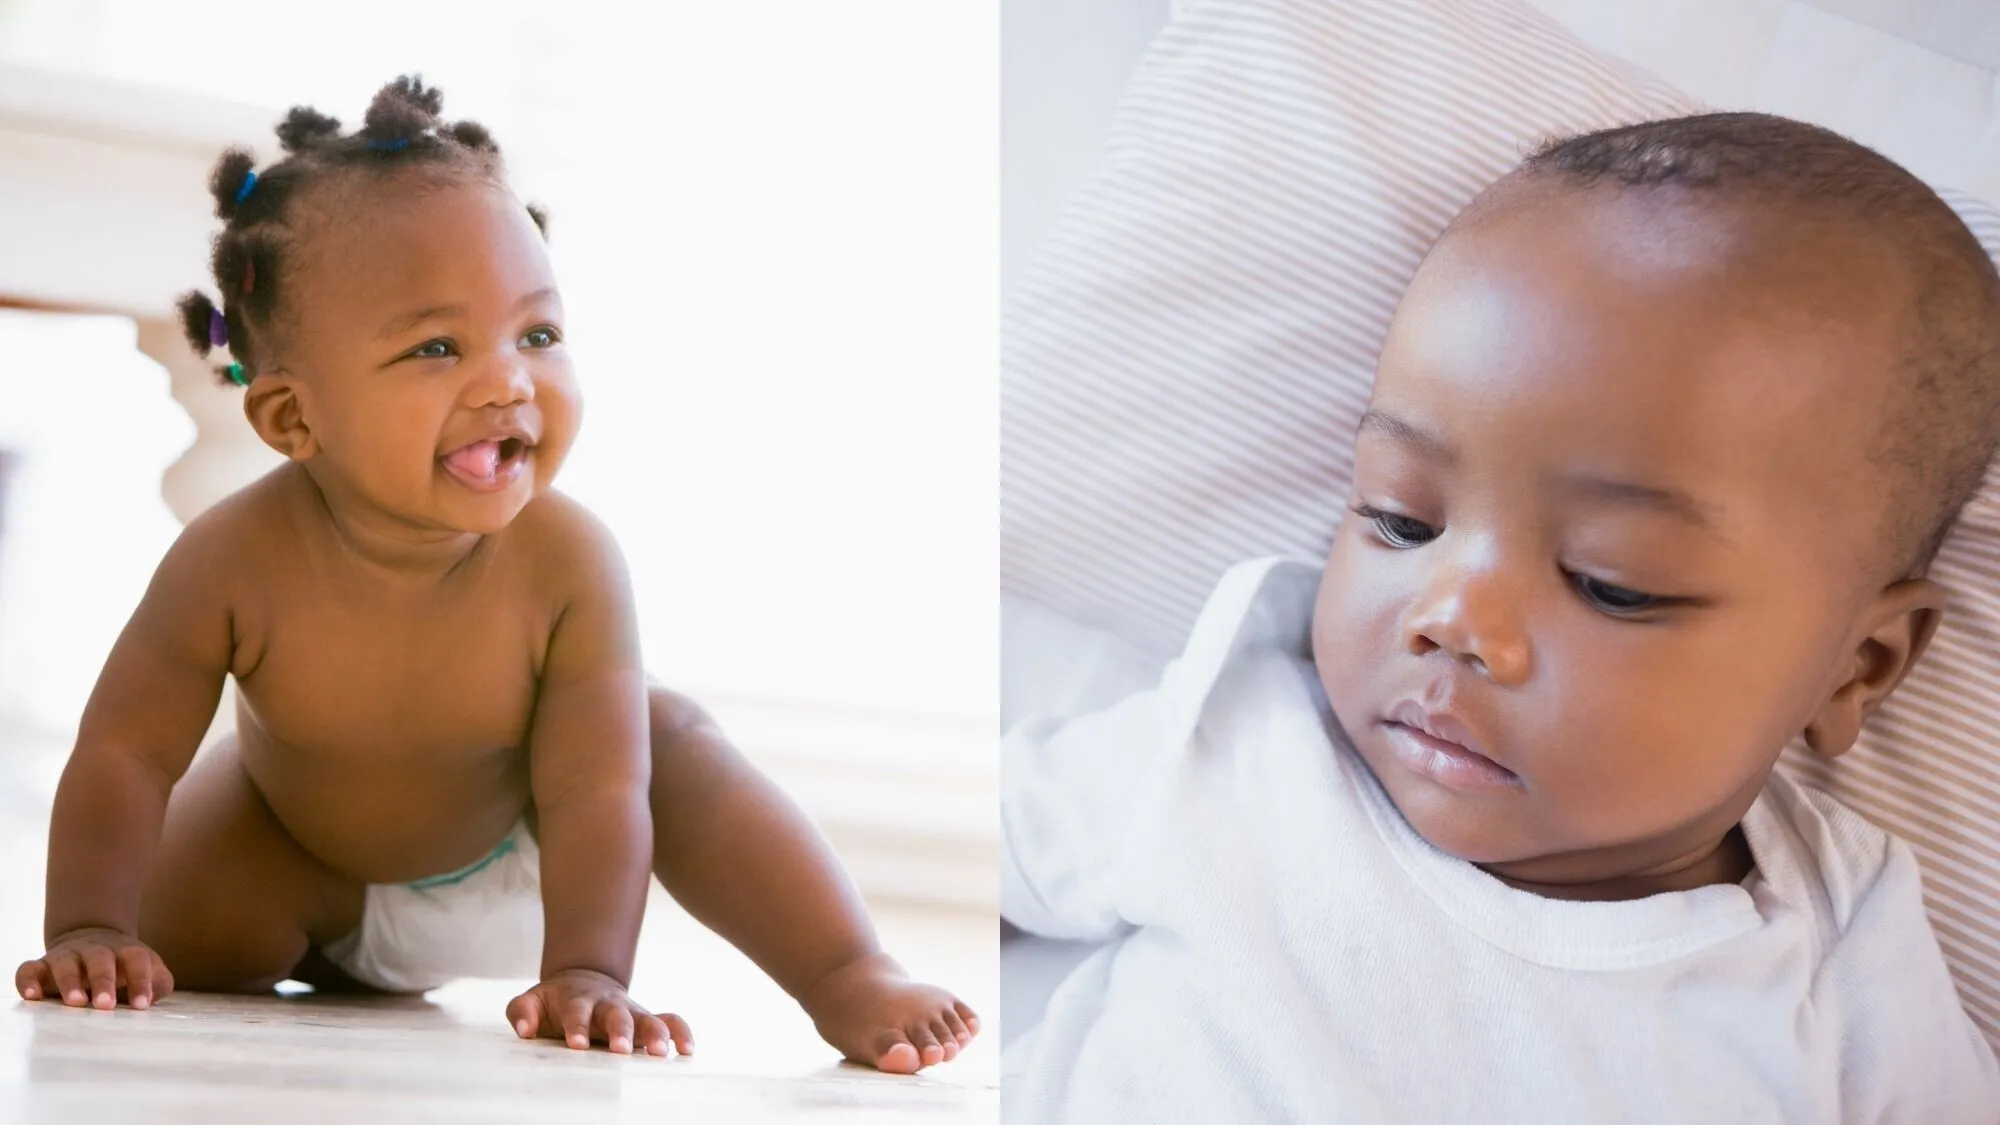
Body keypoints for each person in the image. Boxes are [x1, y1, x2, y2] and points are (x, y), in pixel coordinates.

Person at [1002, 112, 2000, 1120]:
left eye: (1613, 584)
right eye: (1399, 520)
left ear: (1854, 667)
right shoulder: (1240, 739)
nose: (1452, 617)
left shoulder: (1836, 947)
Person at [16, 76, 977, 1075]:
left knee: (667, 737)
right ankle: (325, 970)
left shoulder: (566, 560)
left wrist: (591, 971)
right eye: (438, 347)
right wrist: (90, 926)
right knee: (159, 921)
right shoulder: (228, 561)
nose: (509, 382)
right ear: (293, 420)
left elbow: (600, 789)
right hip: (303, 871)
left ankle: (845, 971)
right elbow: (127, 751)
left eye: (538, 335)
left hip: (536, 866)